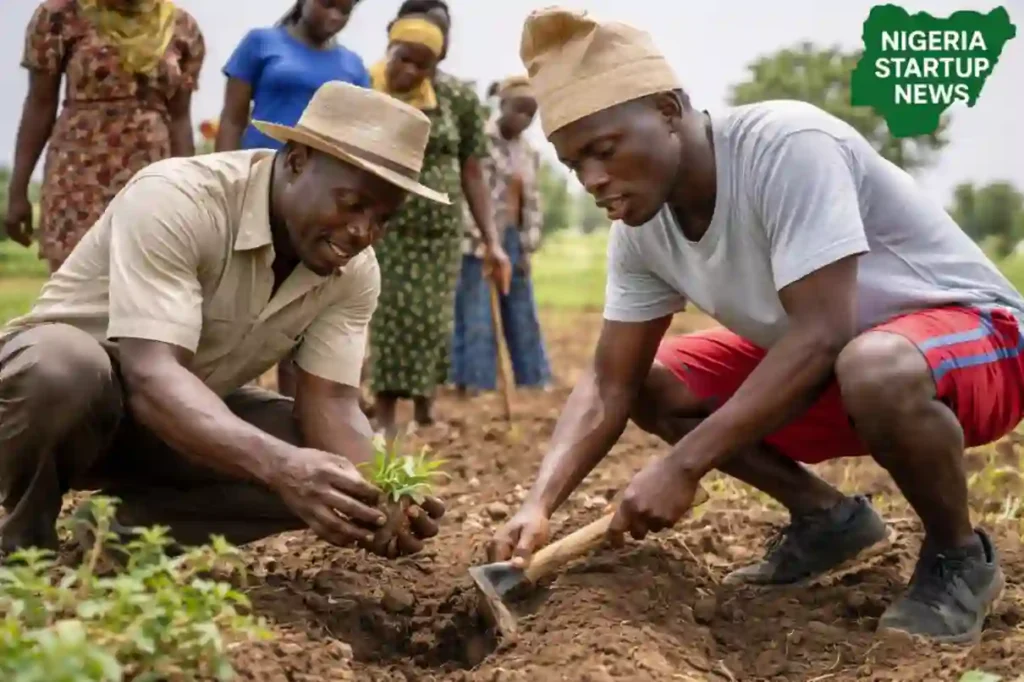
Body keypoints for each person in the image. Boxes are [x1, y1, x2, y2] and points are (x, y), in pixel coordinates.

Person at [489, 8, 1024, 645]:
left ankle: (957, 557)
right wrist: (539, 504)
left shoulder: (786, 145)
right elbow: (611, 384)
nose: (593, 179)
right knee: (655, 383)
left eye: (604, 150)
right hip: (847, 365)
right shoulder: (641, 230)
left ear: (665, 109)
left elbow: (824, 331)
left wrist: (683, 465)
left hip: (979, 346)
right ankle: (826, 519)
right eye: (575, 163)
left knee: (873, 365)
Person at [0, 82, 448, 562]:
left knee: (326, 468)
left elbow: (332, 405)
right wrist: (281, 468)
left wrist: (381, 495)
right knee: (64, 367)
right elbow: (151, 373)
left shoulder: (353, 272)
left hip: (176, 423)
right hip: (57, 409)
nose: (364, 232)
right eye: (352, 204)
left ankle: (117, 537)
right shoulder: (180, 199)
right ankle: (23, 547)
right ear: (297, 160)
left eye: (383, 218)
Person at [216, 0, 370, 397]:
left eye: (345, 10)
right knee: (237, 293)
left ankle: (292, 408)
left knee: (300, 303)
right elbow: (233, 118)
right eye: (328, 4)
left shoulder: (353, 67)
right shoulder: (260, 43)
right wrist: (223, 175)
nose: (334, 15)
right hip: (257, 189)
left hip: (321, 204)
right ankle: (228, 393)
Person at [367, 11, 511, 434]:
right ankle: (387, 413)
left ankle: (426, 405)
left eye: (423, 62)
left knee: (433, 319)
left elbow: (472, 169)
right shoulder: (366, 86)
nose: (411, 70)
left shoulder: (457, 98)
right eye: (404, 58)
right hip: (386, 226)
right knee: (389, 315)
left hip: (439, 231)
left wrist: (492, 239)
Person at [4, 0, 205, 273]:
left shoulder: (181, 27)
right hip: (78, 180)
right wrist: (18, 191)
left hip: (151, 180)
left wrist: (188, 193)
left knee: (145, 287)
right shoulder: (59, 16)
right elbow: (40, 104)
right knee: (76, 294)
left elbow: (180, 119)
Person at [450, 76, 552, 396]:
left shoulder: (529, 152)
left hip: (514, 237)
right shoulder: (480, 141)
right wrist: (483, 238)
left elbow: (532, 202)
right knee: (477, 309)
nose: (524, 119)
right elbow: (467, 192)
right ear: (502, 105)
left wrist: (526, 246)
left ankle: (533, 378)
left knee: (523, 309)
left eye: (531, 114)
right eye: (519, 110)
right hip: (480, 237)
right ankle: (475, 382)